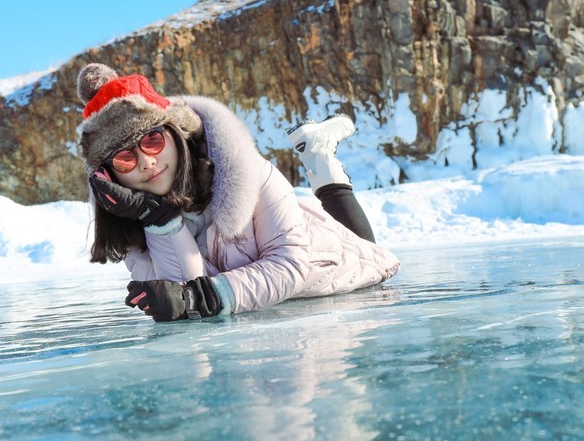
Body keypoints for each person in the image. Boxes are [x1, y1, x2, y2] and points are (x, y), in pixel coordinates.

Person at [77, 64, 400, 322]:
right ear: (110, 176)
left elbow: (290, 266)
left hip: (329, 262)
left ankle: (321, 158)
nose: (147, 162)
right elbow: (186, 305)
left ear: (175, 133)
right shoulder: (133, 216)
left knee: (372, 255)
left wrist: (199, 298)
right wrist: (160, 222)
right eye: (125, 157)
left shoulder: (248, 170)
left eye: (152, 141)